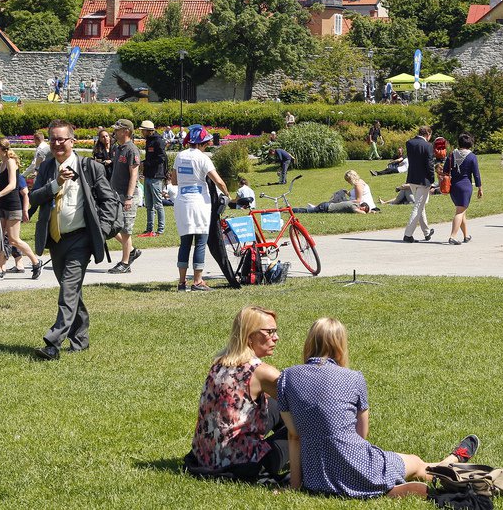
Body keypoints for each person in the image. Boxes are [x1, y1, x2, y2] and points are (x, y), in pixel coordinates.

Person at [278, 317, 480, 499]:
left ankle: (395, 483)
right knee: (415, 462)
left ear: (309, 342)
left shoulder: (286, 377)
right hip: (358, 465)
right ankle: (450, 463)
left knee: (400, 461)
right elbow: (362, 434)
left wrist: (296, 485)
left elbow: (294, 436)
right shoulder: (354, 378)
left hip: (317, 477)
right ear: (340, 346)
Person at [30, 120, 119, 358]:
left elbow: (110, 200)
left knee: (68, 290)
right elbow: (33, 199)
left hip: (81, 239)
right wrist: (55, 184)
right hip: (56, 239)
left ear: (73, 141)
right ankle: (80, 339)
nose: (57, 144)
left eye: (62, 139)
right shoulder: (47, 168)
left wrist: (102, 229)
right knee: (72, 291)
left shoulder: (90, 167)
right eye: (53, 139)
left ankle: (53, 342)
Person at [186, 306, 286, 482]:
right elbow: (303, 402)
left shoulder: (219, 364)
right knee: (307, 423)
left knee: (276, 407)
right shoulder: (262, 372)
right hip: (242, 463)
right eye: (269, 332)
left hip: (206, 456)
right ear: (249, 337)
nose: (276, 338)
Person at [174, 125, 229, 291]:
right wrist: (228, 194)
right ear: (202, 143)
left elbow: (174, 180)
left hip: (182, 201)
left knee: (185, 243)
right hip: (199, 203)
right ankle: (197, 281)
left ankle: (182, 282)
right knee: (200, 242)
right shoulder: (203, 158)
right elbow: (219, 181)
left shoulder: (179, 156)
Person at [0, 138, 43, 279]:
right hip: (2, 205)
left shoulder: (11, 162)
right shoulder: (1, 164)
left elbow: (12, 185)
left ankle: (36, 262)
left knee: (13, 239)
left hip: (12, 205)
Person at [107, 119, 142, 274]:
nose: (115, 132)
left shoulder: (132, 150)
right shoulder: (118, 148)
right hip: (116, 195)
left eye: (118, 130)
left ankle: (125, 262)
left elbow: (134, 175)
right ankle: (132, 251)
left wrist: (128, 197)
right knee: (111, 227)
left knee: (126, 230)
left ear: (126, 131)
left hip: (127, 196)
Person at [446, 133, 482, 245]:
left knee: (462, 211)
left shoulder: (452, 155)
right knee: (460, 212)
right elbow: (476, 174)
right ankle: (453, 236)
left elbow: (445, 170)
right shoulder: (472, 156)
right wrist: (480, 187)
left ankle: (466, 235)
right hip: (465, 186)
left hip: (454, 186)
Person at [402, 126, 435, 243]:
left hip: (412, 178)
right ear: (428, 134)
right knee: (418, 206)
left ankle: (426, 232)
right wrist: (432, 180)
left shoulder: (409, 143)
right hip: (423, 180)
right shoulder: (428, 146)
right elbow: (429, 164)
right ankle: (408, 234)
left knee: (420, 205)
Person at [138, 120, 168, 238]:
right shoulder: (149, 140)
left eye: (142, 130)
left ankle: (160, 229)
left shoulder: (158, 141)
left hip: (156, 176)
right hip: (148, 175)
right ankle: (149, 229)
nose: (141, 132)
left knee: (158, 204)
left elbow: (162, 158)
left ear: (148, 130)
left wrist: (147, 163)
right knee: (148, 205)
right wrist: (145, 163)